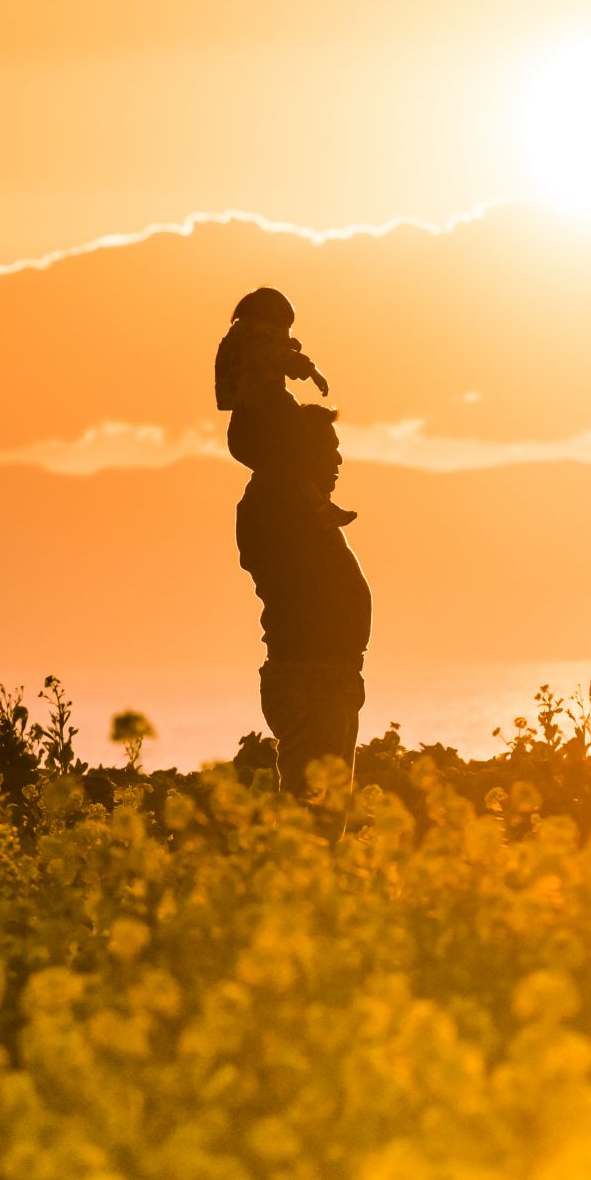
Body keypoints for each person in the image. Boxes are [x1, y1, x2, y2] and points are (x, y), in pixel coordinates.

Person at [234, 386, 372, 797]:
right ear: (299, 455)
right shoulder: (277, 504)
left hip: (331, 675)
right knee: (313, 811)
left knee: (325, 815)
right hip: (311, 678)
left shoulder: (300, 507)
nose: (337, 460)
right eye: (327, 450)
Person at [216, 286, 354, 522]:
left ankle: (315, 503)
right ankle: (318, 506)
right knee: (298, 451)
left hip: (244, 419)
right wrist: (312, 371)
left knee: (285, 462)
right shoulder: (261, 339)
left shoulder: (240, 338)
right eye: (285, 327)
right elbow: (277, 356)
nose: (286, 334)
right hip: (265, 408)